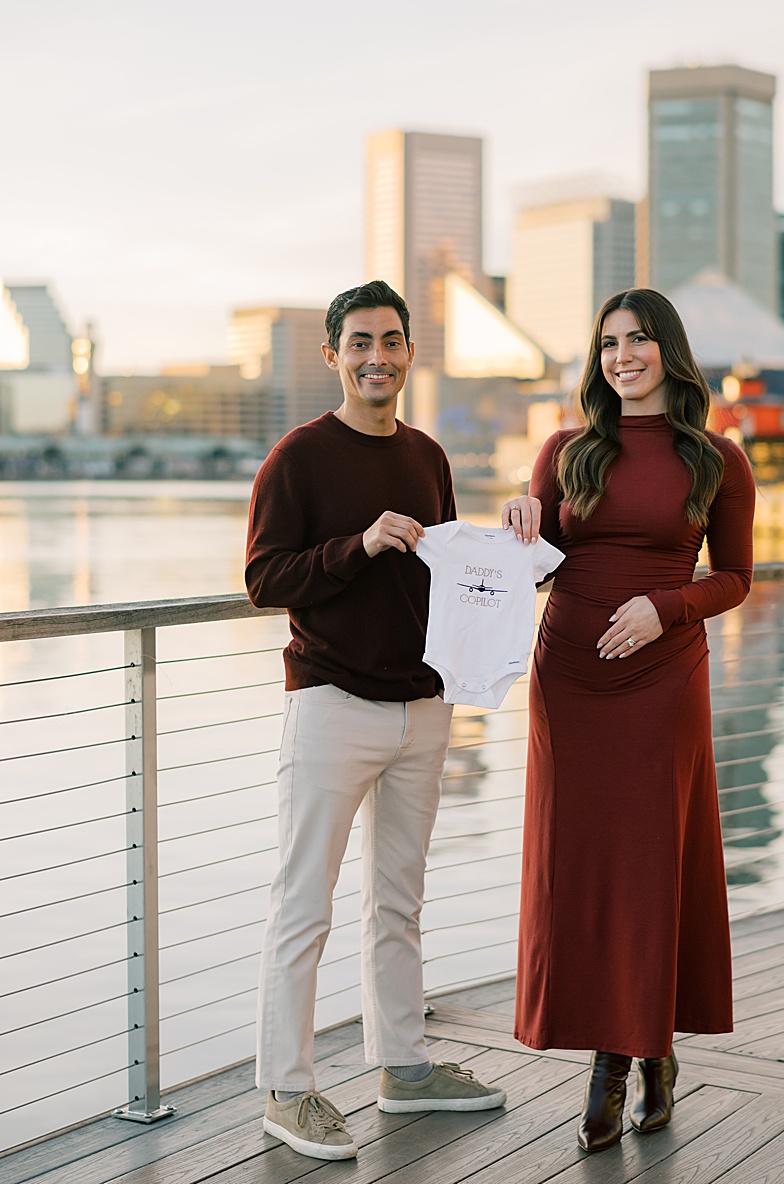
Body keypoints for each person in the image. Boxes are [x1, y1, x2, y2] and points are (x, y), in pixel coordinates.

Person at [246, 280, 506, 1161]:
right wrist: (356, 545)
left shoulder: (428, 456)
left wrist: (512, 559)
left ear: (408, 352)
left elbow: (450, 581)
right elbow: (264, 580)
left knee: (398, 903)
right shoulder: (297, 459)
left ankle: (404, 1069)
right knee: (302, 906)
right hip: (330, 706)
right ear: (333, 356)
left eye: (391, 342)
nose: (377, 358)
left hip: (423, 711)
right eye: (359, 344)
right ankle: (287, 1089)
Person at [502, 288, 755, 1151]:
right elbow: (531, 567)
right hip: (566, 684)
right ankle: (622, 1055)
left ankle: (636, 1059)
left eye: (639, 339)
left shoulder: (716, 458)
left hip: (662, 680)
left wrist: (665, 606)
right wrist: (519, 529)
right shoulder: (564, 450)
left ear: (668, 351)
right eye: (609, 343)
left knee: (651, 870)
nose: (622, 355)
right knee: (582, 873)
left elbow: (736, 579)